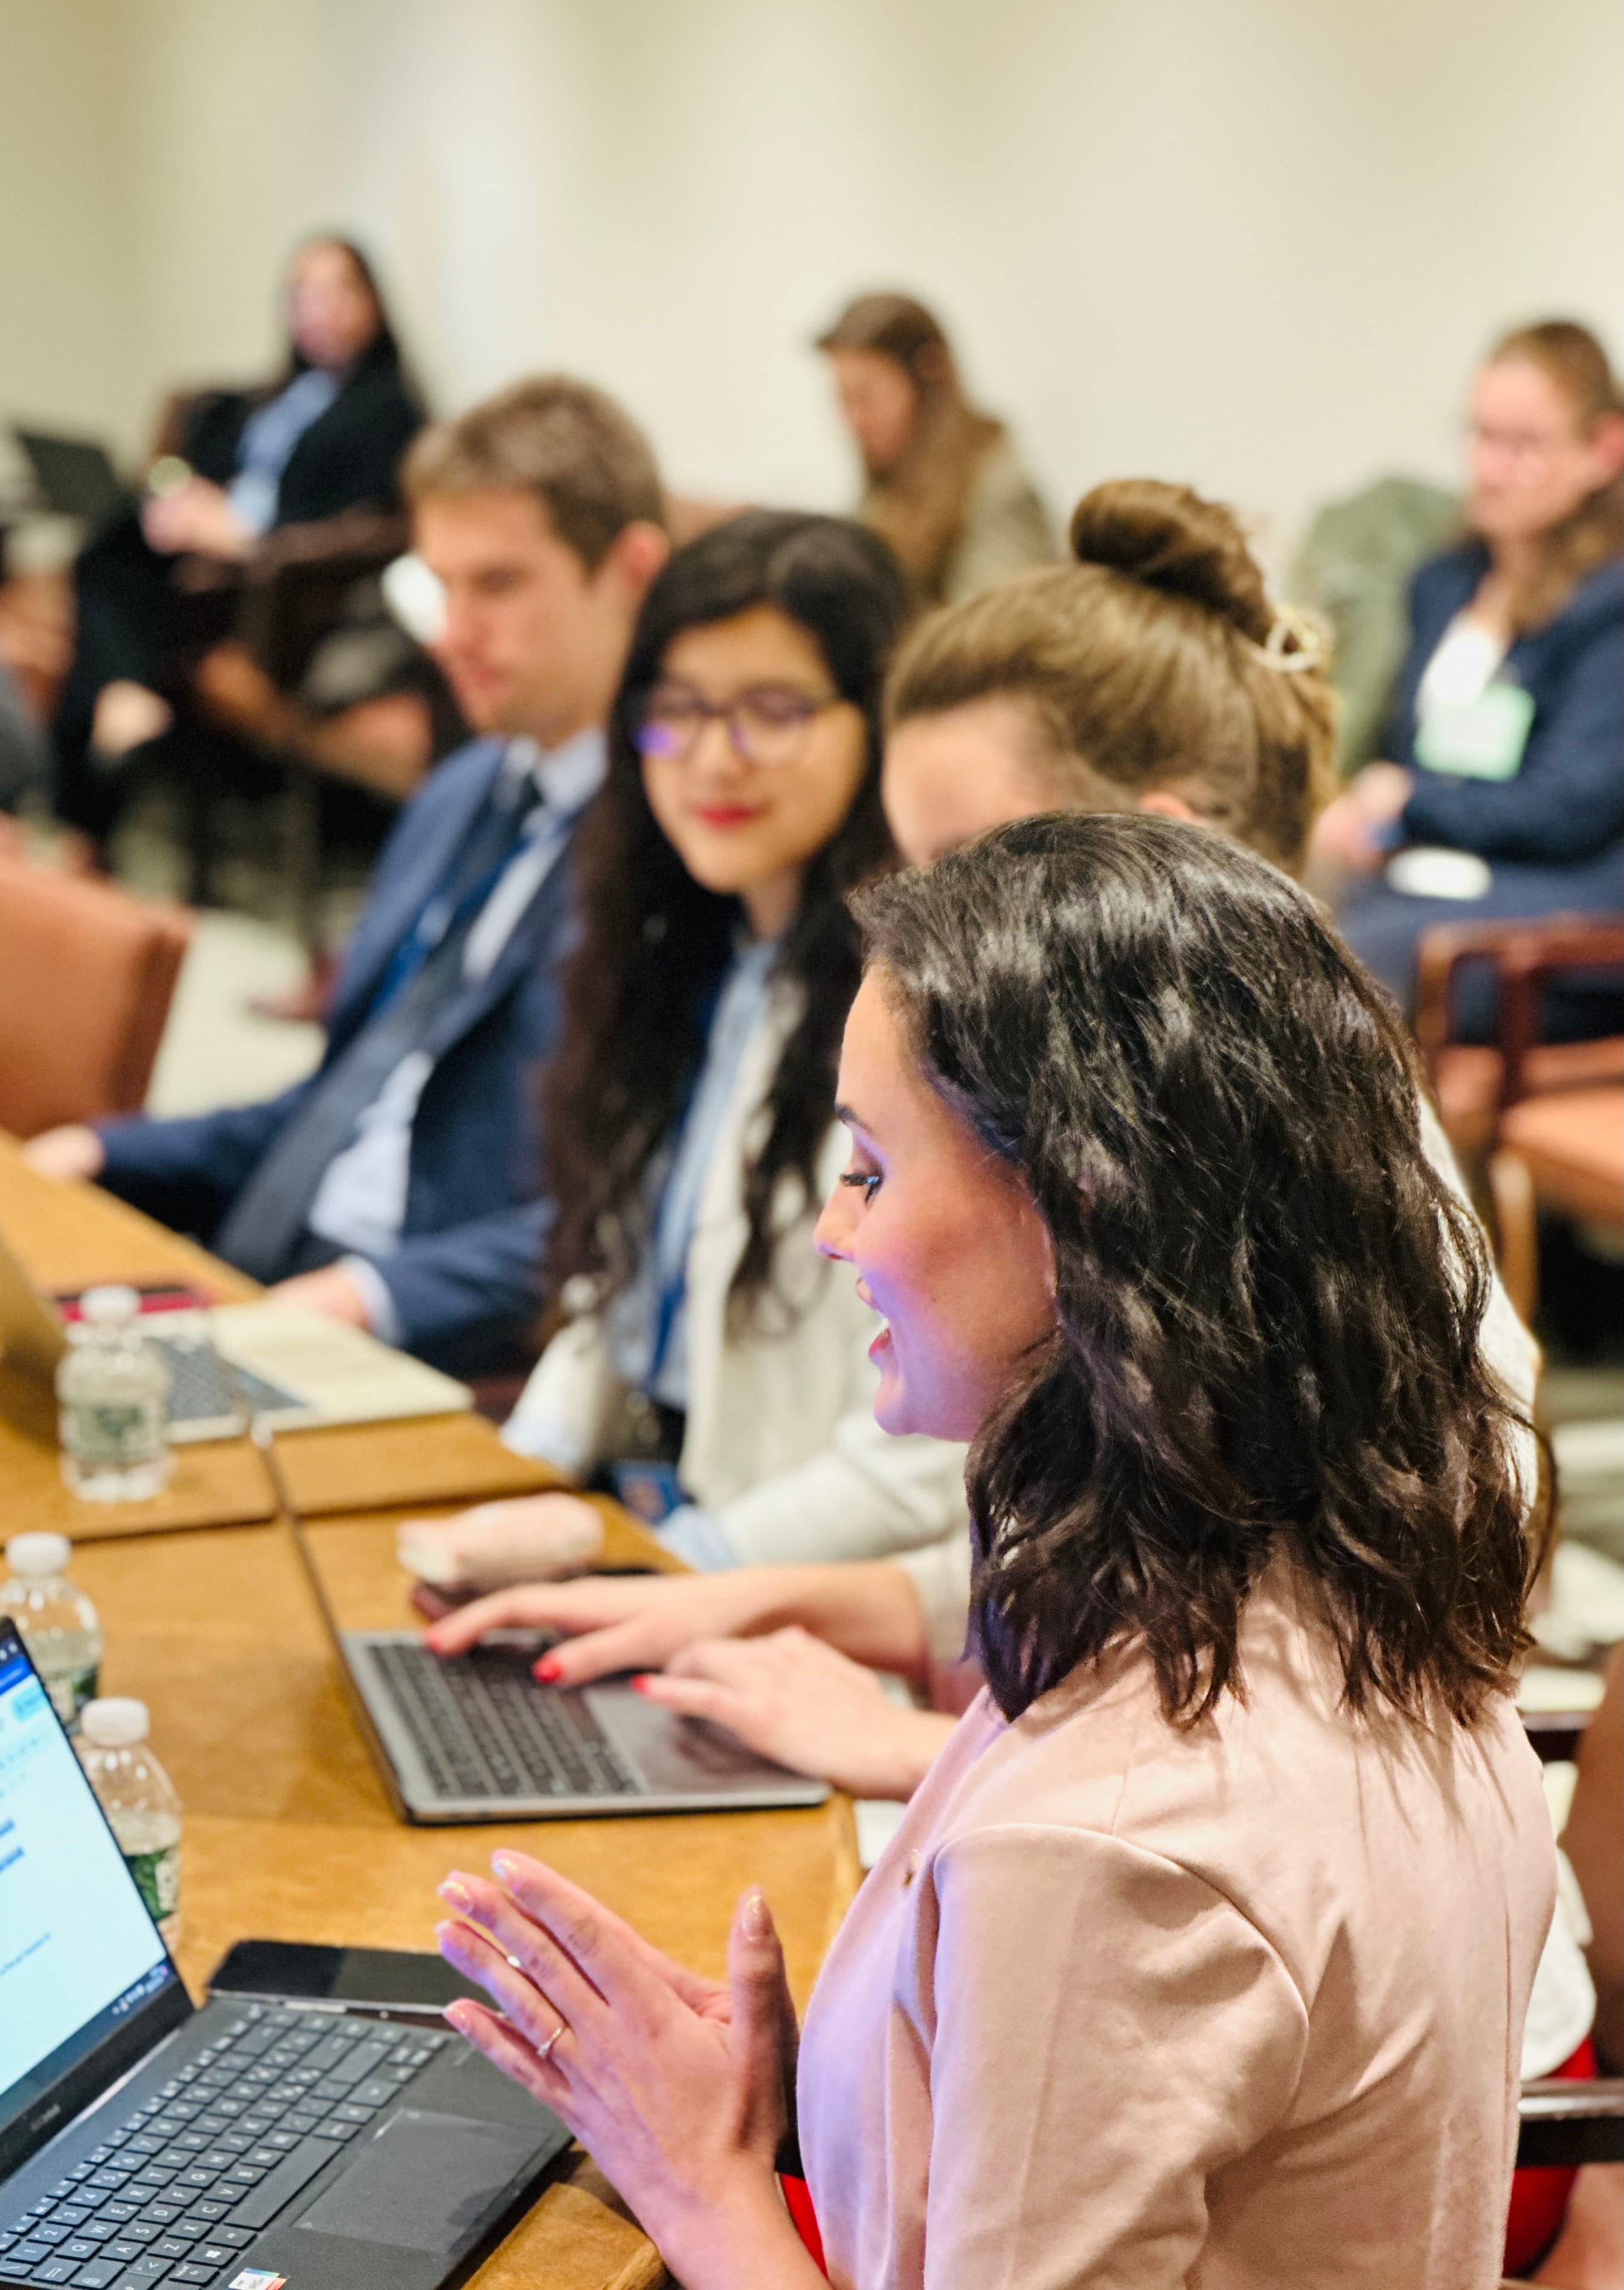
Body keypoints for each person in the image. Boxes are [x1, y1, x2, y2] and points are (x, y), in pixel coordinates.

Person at [433, 813, 1553, 2288]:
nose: (837, 1229)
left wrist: (696, 2179)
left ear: (1078, 1206)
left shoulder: (1108, 1844)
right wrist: (829, 2099)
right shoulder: (1354, 1588)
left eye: (870, 1167)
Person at [423, 481, 1536, 1795]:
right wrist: (731, 1598)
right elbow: (1093, 1558)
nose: (915, 927)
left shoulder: (1317, 1207)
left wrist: (881, 1729)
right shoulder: (1145, 1141)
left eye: (968, 863)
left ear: (1151, 863)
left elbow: (1290, 1715)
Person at [24, 378, 668, 1374]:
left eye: (496, 585)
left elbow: (649, 1215)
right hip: (270, 1283)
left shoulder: (675, 848)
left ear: (630, 572)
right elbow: (337, 1099)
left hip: (441, 1349)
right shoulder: (461, 796)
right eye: (439, 586)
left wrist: (365, 1299)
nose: (451, 632)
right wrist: (102, 1153)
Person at [402, 509, 967, 1575]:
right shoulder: (672, 959)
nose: (714, 758)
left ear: (876, 725)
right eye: (677, 710)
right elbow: (610, 1298)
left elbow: (913, 1466)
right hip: (637, 1523)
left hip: (788, 1591)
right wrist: (523, 1477)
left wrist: (663, 1574)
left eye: (771, 711)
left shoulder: (916, 1017)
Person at [51, 236, 426, 846]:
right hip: (213, 546)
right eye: (303, 294)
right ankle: (112, 722)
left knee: (124, 585)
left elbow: (356, 523)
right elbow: (225, 466)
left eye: (336, 291)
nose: (318, 309)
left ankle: (95, 778)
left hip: (272, 584)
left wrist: (247, 535)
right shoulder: (281, 395)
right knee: (108, 547)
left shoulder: (386, 409)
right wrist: (193, 501)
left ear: (372, 303)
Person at [1312, 320, 1624, 1032]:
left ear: (1602, 450)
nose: (1489, 466)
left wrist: (1408, 800)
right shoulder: (1442, 584)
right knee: (1258, 913)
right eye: (1479, 436)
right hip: (1422, 869)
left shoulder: (1610, 604)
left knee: (1341, 966)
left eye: (1522, 445)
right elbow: (1409, 747)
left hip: (1558, 899)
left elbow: (1567, 808)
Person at [816, 291, 1056, 605]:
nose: (853, 421)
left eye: (866, 397)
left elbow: (998, 637)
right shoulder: (885, 485)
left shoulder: (997, 489)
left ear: (929, 375)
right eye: (844, 400)